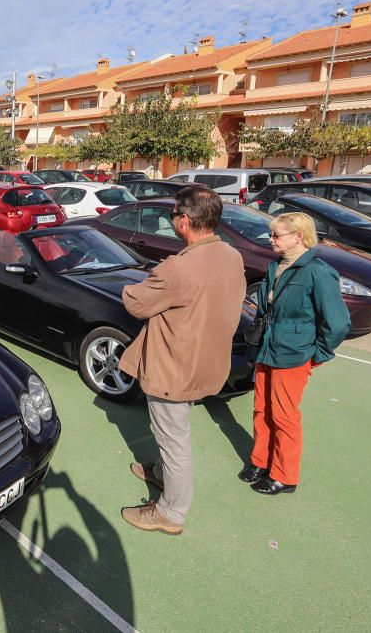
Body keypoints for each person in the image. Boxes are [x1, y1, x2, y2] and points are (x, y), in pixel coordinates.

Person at [118, 186, 246, 535]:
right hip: (207, 361)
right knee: (173, 433)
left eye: (174, 214)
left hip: (174, 366)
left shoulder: (178, 268)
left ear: (185, 222)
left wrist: (145, 280)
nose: (172, 219)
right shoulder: (230, 255)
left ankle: (171, 512)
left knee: (174, 441)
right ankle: (160, 475)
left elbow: (135, 302)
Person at [239, 212, 350, 495]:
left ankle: (284, 475)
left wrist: (319, 353)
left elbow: (338, 322)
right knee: (262, 409)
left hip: (294, 354)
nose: (271, 239)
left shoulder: (318, 271)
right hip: (267, 348)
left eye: (277, 235)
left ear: (298, 237)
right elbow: (266, 311)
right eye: (272, 234)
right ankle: (260, 461)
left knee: (284, 416)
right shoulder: (275, 266)